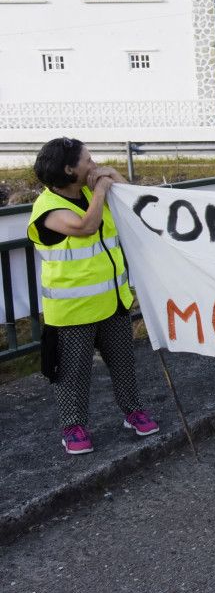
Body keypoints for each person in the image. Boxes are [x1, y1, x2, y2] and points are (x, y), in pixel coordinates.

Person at [28, 138, 158, 455]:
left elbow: (133, 202)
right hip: (72, 311)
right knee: (73, 374)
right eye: (88, 160)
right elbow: (87, 226)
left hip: (112, 302)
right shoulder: (48, 209)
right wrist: (100, 189)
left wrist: (111, 175)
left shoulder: (89, 191)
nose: (93, 164)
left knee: (124, 365)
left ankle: (133, 411)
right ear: (69, 169)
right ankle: (73, 427)